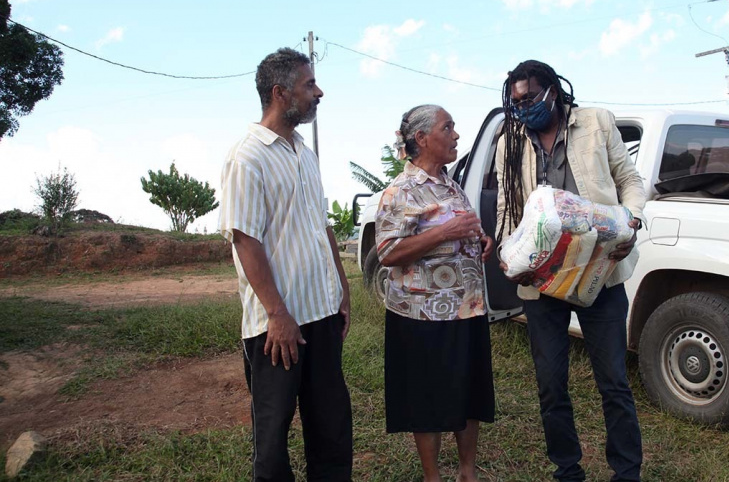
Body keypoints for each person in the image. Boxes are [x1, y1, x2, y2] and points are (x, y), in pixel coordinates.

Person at [495, 60, 646, 482]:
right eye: (517, 100)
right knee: (550, 383)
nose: (523, 106)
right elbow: (509, 208)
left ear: (554, 92)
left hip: (602, 270)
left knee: (614, 380)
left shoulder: (596, 123)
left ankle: (626, 472)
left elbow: (629, 180)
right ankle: (567, 470)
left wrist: (630, 220)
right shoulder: (512, 142)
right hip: (544, 280)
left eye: (530, 97)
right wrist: (509, 257)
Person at [218, 48, 352, 482]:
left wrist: (342, 292)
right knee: (273, 436)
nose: (319, 93)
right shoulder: (247, 156)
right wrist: (278, 314)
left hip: (322, 314)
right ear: (280, 92)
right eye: (309, 85)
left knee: (331, 427)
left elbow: (321, 225)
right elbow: (245, 240)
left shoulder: (304, 153)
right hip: (277, 327)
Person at [375, 104, 496, 482]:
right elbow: (387, 253)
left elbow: (463, 231)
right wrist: (445, 233)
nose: (457, 134)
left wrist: (480, 240)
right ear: (423, 139)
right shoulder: (400, 192)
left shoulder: (451, 184)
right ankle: (433, 477)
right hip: (422, 316)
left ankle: (467, 472)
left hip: (467, 308)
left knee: (468, 393)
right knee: (427, 400)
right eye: (449, 127)